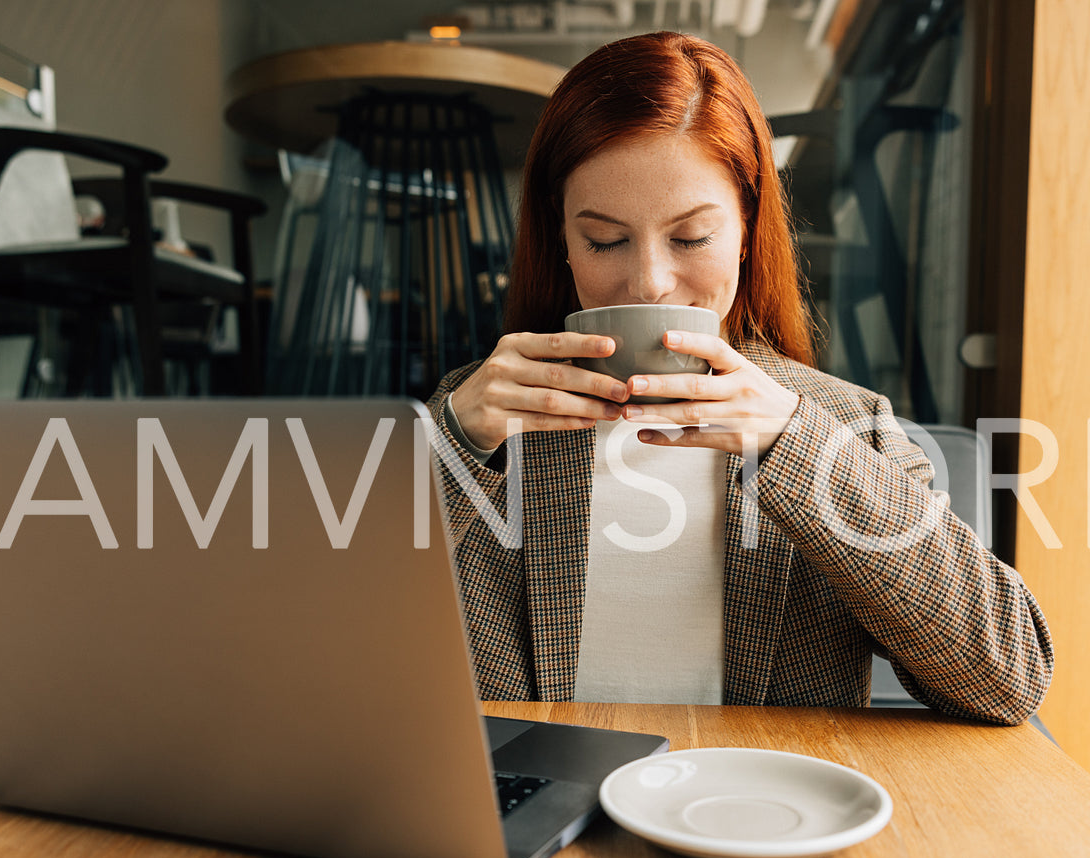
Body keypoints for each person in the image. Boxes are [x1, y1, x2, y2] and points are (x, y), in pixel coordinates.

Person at [427, 31, 1052, 725]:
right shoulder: (481, 417)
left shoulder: (842, 427)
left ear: (748, 228)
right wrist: (447, 444)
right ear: (563, 242)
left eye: (691, 237)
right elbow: (324, 661)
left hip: (756, 814)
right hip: (537, 821)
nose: (649, 283)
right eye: (604, 239)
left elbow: (1006, 680)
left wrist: (794, 446)